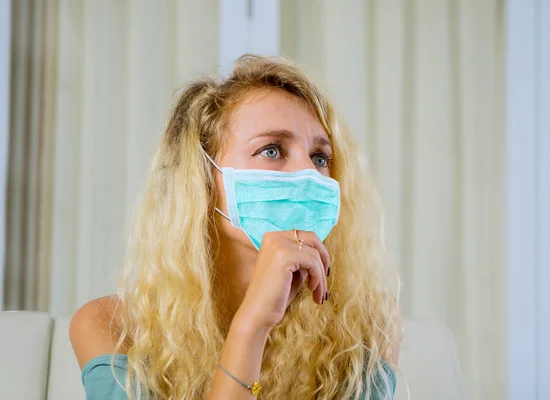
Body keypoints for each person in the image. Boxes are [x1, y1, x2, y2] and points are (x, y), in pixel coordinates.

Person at [69, 54, 403, 400]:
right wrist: (253, 324)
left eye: (320, 157)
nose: (308, 171)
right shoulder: (112, 328)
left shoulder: (365, 324)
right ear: (201, 177)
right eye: (272, 150)